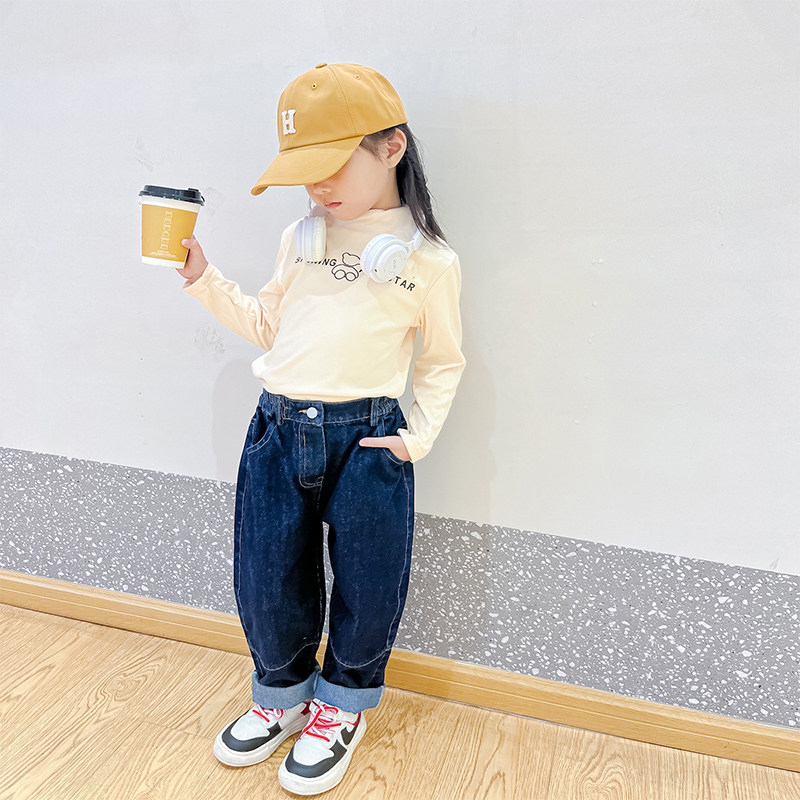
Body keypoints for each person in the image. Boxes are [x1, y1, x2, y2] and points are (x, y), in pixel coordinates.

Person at [177, 62, 466, 796]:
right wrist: (203, 278)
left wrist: (414, 439)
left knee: (369, 582)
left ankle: (341, 707)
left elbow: (442, 362)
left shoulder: (429, 262)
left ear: (392, 147)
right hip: (279, 431)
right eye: (304, 173)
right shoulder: (300, 238)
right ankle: (281, 696)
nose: (318, 188)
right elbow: (269, 327)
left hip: (368, 440)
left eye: (331, 166)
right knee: (266, 575)